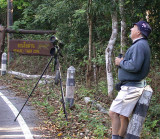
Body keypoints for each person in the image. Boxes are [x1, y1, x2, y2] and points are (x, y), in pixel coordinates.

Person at [109, 21, 152, 139]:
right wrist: (123, 62)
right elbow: (134, 63)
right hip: (132, 86)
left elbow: (135, 66)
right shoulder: (140, 44)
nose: (130, 29)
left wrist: (121, 62)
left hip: (131, 87)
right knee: (123, 115)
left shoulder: (139, 45)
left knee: (113, 113)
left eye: (133, 27)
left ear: (138, 32)